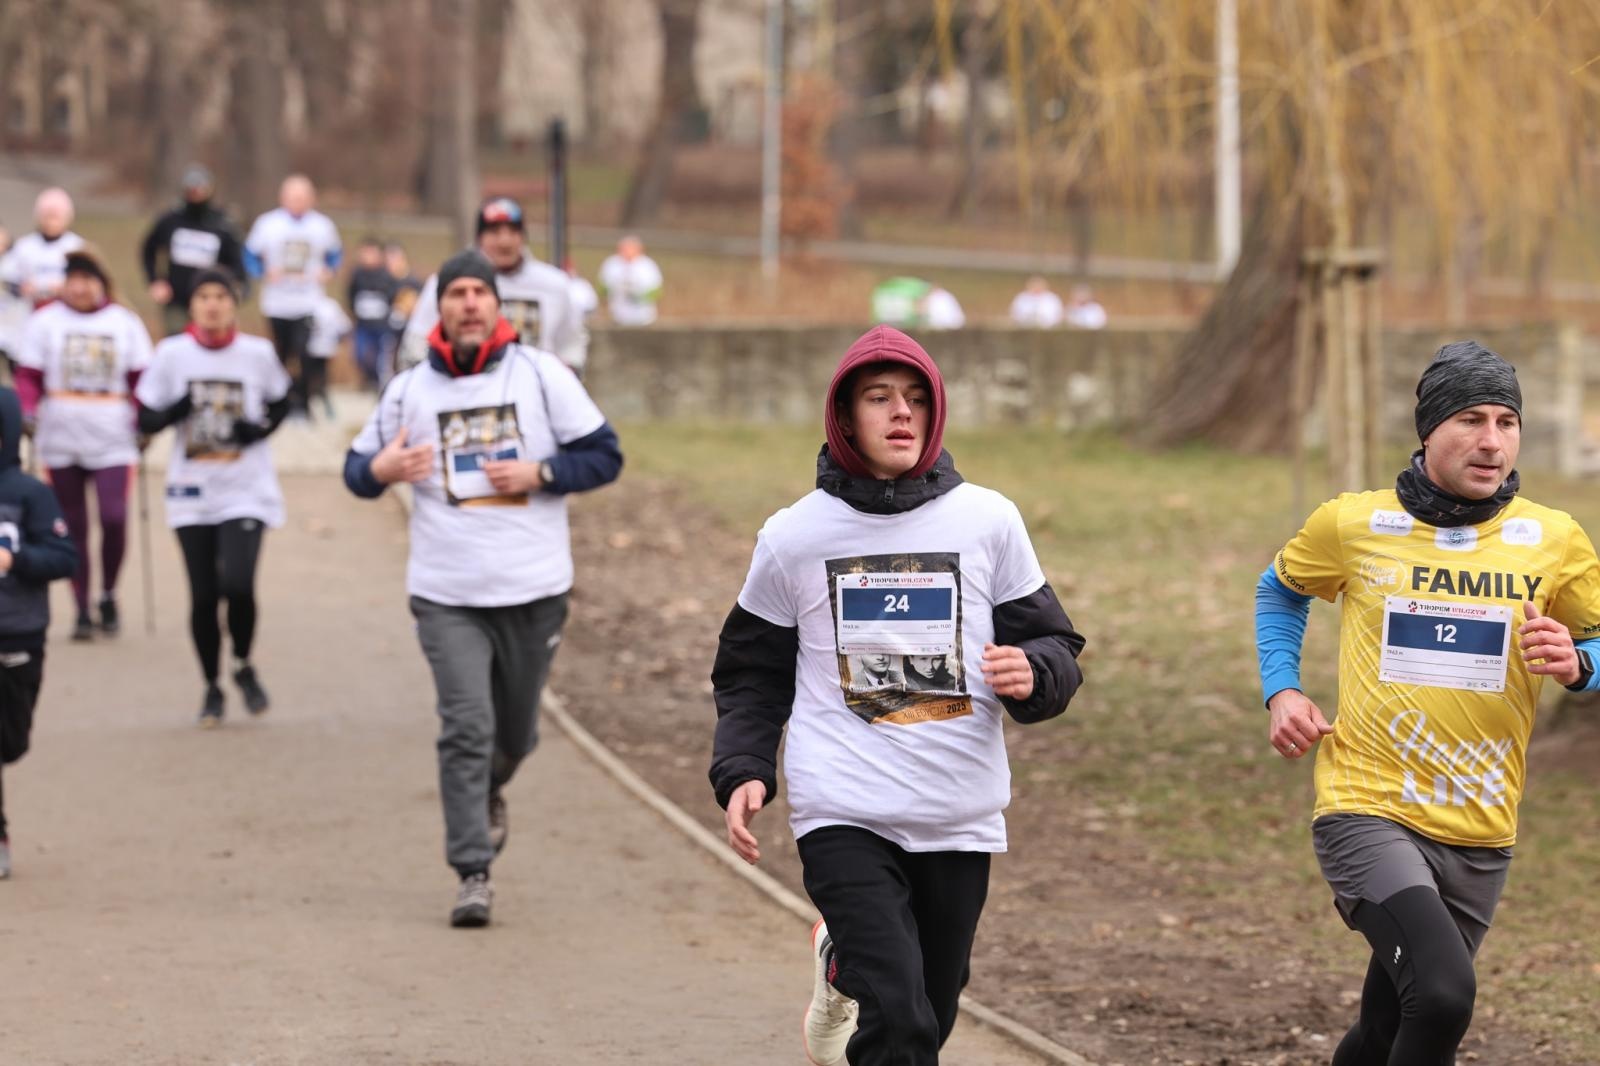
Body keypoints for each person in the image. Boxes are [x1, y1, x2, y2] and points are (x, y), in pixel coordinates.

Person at [709, 325, 1086, 1065]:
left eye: (916, 398)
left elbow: (1054, 642)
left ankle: (840, 965)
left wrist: (1035, 673)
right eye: (879, 398)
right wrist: (744, 766)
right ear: (845, 417)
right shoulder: (794, 536)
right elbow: (751, 670)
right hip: (843, 806)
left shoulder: (988, 521)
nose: (902, 412)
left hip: (957, 809)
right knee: (902, 1024)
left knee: (929, 1015)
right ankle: (856, 963)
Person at [1255, 340, 1600, 1065]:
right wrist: (1282, 688)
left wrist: (1580, 665)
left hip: (1481, 825)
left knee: (1386, 1029)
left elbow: (1597, 643)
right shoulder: (1352, 524)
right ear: (1428, 430)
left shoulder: (1555, 540)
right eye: (1470, 420)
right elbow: (1280, 590)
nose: (1491, 441)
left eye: (1507, 422)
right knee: (1442, 995)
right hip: (1368, 807)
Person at [343, 251, 622, 928]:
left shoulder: (541, 374)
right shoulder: (409, 389)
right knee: (467, 726)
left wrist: (540, 472)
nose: (469, 303)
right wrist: (381, 468)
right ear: (438, 308)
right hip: (446, 592)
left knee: (515, 735)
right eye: (456, 293)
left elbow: (605, 455)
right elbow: (355, 470)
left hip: (534, 588)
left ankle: (490, 787)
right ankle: (472, 870)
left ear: (497, 304)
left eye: (479, 292)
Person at [136, 268, 292, 727]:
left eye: (221, 296)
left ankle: (242, 661)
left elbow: (282, 401)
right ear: (191, 305)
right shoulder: (172, 354)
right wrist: (175, 411)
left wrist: (258, 429)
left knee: (238, 585)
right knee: (203, 596)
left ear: (233, 303)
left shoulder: (257, 354)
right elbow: (145, 417)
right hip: (192, 490)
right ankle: (211, 685)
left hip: (246, 488)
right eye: (203, 296)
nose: (212, 304)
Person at [13, 249, 153, 641]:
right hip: (61, 433)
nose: (79, 288)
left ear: (101, 283)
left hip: (113, 434)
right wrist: (27, 410)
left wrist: (144, 417)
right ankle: (81, 606)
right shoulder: (45, 322)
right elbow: (28, 375)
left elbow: (143, 377)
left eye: (87, 280)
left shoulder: (123, 322)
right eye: (73, 280)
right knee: (72, 524)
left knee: (113, 516)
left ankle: (108, 592)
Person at [0, 384, 79, 880]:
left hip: (18, 635)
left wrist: (15, 559)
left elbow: (64, 559)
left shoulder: (30, 494)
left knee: (10, 743)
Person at [398, 198, 586, 377]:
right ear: (479, 237)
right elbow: (416, 341)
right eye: (495, 232)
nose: (504, 241)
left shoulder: (554, 284)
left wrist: (565, 375)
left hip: (536, 386)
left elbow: (572, 342)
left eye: (513, 231)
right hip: (465, 386)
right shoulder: (451, 282)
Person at [243, 175, 342, 418]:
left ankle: (303, 403)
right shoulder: (268, 224)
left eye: (302, 197)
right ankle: (277, 401)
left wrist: (328, 271)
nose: (298, 202)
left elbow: (335, 254)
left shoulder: (322, 226)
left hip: (308, 301)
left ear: (311, 198)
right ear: (283, 198)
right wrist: (262, 272)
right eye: (293, 197)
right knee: (280, 353)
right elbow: (249, 254)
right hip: (276, 302)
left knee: (306, 352)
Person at [139, 164, 248, 337]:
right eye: (192, 189)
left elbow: (236, 262)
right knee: (177, 342)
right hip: (177, 301)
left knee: (213, 340)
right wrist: (155, 281)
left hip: (212, 301)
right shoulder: (171, 220)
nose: (196, 193)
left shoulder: (222, 224)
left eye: (200, 188)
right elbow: (148, 250)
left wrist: (235, 289)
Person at [0, 189, 84, 308]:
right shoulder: (25, 245)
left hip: (66, 309)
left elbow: (85, 280)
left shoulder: (77, 246)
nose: (51, 222)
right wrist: (21, 289)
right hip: (30, 309)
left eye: (56, 217)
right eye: (47, 216)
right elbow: (9, 277)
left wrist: (66, 288)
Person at [347, 238, 397, 389]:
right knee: (360, 354)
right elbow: (351, 295)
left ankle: (380, 382)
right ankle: (369, 378)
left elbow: (392, 297)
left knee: (382, 357)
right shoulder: (357, 274)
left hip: (382, 325)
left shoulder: (386, 275)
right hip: (363, 324)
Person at [598, 235, 663, 327]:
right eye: (624, 248)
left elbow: (656, 291)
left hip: (643, 317)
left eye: (630, 248)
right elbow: (602, 288)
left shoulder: (648, 266)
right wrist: (614, 289)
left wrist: (640, 297)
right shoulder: (611, 264)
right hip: (618, 316)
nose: (627, 251)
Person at [306, 293, 352, 419]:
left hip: (322, 348)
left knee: (318, 376)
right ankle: (316, 403)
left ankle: (321, 402)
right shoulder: (327, 305)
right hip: (312, 348)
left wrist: (338, 342)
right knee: (314, 377)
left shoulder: (329, 305)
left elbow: (344, 326)